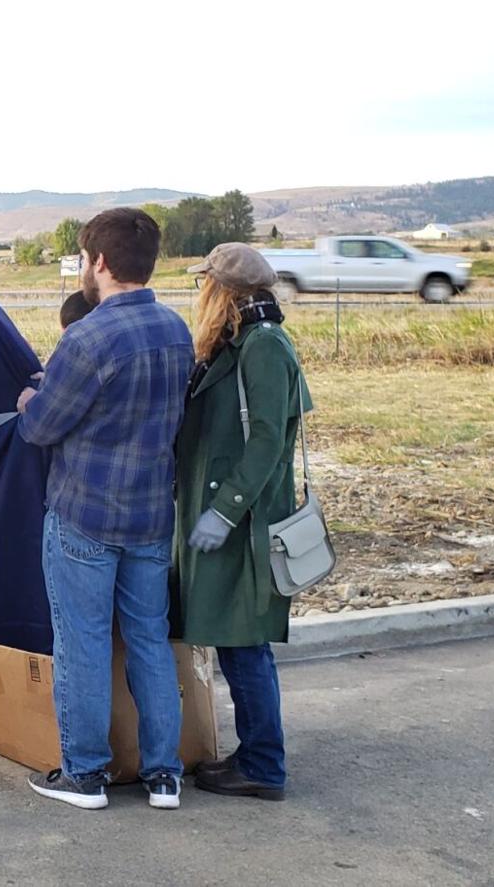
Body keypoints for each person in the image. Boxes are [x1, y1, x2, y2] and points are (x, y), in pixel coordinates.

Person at [15, 207, 194, 811]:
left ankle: (85, 775)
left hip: (84, 516)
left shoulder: (86, 337)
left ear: (100, 263)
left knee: (84, 642)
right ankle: (164, 775)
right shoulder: (176, 330)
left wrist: (28, 399)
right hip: (151, 516)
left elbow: (41, 428)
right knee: (148, 640)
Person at [175, 242, 309, 802]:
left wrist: (224, 512)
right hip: (227, 519)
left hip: (246, 526)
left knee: (245, 643)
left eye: (204, 283)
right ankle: (255, 753)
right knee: (235, 644)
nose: (199, 291)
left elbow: (270, 441)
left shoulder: (264, 345)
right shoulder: (242, 341)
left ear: (223, 291)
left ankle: (262, 764)